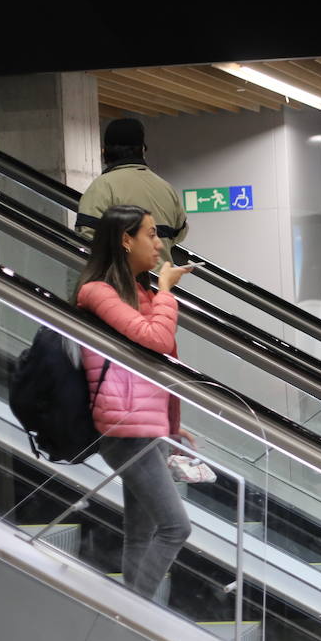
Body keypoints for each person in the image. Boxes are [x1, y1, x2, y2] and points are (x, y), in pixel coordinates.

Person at [76, 206, 197, 600]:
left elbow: (162, 366)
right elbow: (157, 340)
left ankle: (133, 615)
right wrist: (166, 292)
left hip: (147, 429)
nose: (159, 243)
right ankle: (137, 613)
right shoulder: (98, 292)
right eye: (150, 234)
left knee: (141, 533)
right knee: (176, 526)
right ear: (125, 240)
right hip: (126, 432)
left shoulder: (139, 293)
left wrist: (172, 427)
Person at [77, 119, 188, 261]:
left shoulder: (102, 186)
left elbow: (87, 234)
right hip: (162, 279)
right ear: (142, 150)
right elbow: (180, 232)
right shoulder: (166, 188)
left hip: (122, 279)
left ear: (104, 152)